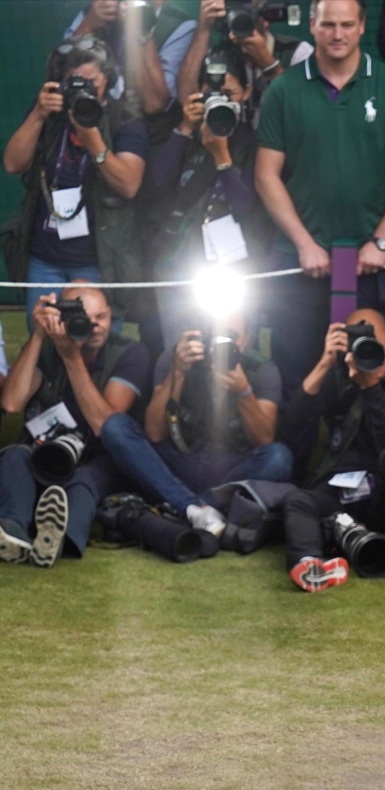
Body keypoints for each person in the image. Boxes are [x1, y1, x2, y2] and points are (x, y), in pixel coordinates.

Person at [255, 0, 385, 393]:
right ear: (312, 26)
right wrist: (303, 243)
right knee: (295, 370)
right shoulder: (284, 89)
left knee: (369, 372)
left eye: (347, 25)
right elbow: (266, 175)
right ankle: (296, 453)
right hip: (302, 262)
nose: (337, 34)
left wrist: (381, 240)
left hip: (372, 262)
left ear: (362, 26)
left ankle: (359, 450)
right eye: (328, 24)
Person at [279, 309, 385, 591]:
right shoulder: (338, 382)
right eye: (356, 339)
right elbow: (291, 425)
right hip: (338, 492)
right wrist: (325, 363)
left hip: (383, 497)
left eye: (372, 339)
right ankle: (310, 564)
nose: (366, 346)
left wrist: (371, 387)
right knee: (297, 500)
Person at [98, 312, 292, 538]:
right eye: (215, 336)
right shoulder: (176, 358)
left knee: (279, 457)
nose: (221, 345)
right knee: (115, 426)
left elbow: (264, 439)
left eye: (231, 337)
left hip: (232, 470)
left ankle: (187, 508)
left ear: (246, 341)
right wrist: (178, 371)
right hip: (178, 462)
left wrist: (243, 391)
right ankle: (195, 507)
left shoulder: (260, 368)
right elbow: (155, 433)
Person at [2, 36, 148, 326]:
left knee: (96, 340)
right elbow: (12, 163)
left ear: (107, 79)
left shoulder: (124, 118)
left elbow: (129, 184)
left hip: (99, 259)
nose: (82, 89)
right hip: (44, 258)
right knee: (43, 340)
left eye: (90, 81)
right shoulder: (49, 115)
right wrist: (39, 115)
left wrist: (93, 138)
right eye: (73, 82)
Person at [0, 285, 149, 567]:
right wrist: (39, 334)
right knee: (15, 457)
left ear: (110, 317)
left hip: (97, 456)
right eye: (82, 316)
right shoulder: (45, 348)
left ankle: (58, 541)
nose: (92, 326)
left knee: (85, 481)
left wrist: (71, 358)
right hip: (43, 451)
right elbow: (11, 403)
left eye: (101, 317)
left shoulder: (128, 353)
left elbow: (104, 424)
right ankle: (12, 531)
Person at [145, 46, 259, 349]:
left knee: (236, 347)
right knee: (181, 348)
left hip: (233, 263)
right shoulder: (187, 134)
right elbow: (155, 183)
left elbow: (247, 206)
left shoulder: (252, 141)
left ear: (247, 93)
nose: (221, 101)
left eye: (229, 93)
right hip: (179, 258)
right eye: (212, 93)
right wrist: (184, 128)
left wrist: (222, 155)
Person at [177, 0, 314, 125]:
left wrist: (269, 65)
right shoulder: (218, 55)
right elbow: (185, 98)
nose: (241, 20)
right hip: (232, 147)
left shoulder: (296, 52)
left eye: (249, 13)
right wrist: (204, 29)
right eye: (235, 13)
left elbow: (310, 113)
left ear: (267, 17)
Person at [66, 0, 196, 119]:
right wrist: (89, 24)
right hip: (92, 118)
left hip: (150, 131)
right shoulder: (94, 12)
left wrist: (140, 29)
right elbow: (61, 70)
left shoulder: (178, 24)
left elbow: (154, 104)